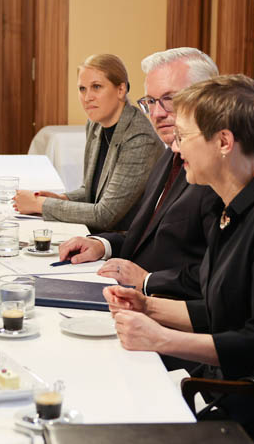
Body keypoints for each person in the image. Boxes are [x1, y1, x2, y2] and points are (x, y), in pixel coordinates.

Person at [104, 74, 254, 435]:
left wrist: (161, 338)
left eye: (184, 137)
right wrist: (146, 306)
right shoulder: (229, 207)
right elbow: (220, 311)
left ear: (223, 142)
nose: (175, 148)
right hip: (222, 386)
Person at [57, 47, 221, 298]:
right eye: (151, 101)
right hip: (132, 292)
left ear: (207, 97)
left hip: (168, 309)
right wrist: (103, 245)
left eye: (170, 99)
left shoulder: (219, 171)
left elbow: (215, 275)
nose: (156, 113)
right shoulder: (170, 154)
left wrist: (147, 281)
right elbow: (147, 238)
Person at [14, 53, 163, 231]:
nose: (87, 97)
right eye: (82, 89)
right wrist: (62, 199)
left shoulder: (139, 138)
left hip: (125, 241)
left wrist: (41, 205)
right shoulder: (95, 124)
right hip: (100, 234)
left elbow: (105, 215)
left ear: (121, 90)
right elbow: (91, 190)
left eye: (96, 87)